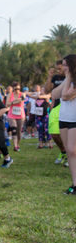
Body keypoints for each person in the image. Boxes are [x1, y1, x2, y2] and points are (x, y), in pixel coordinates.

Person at [52, 54, 76, 195]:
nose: (63, 67)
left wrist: (68, 78)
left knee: (73, 150)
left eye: (66, 65)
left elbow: (66, 95)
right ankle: (74, 183)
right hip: (64, 117)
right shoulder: (67, 79)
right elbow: (55, 94)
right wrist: (67, 79)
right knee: (69, 151)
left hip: (74, 119)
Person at [5, 82, 26, 152]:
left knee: (18, 132)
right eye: (16, 88)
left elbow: (22, 99)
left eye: (19, 88)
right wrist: (14, 102)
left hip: (21, 115)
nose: (17, 90)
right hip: (11, 115)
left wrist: (13, 102)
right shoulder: (10, 94)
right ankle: (15, 146)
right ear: (13, 88)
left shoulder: (22, 94)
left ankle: (17, 143)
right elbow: (7, 104)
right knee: (14, 129)